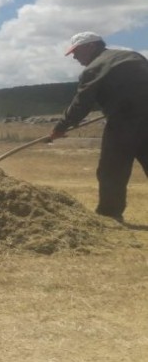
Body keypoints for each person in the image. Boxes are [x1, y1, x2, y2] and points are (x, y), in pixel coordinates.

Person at [49, 32, 148, 222]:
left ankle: (109, 214)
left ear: (91, 46)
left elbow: (81, 104)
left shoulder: (94, 68)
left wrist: (61, 127)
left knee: (112, 169)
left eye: (76, 52)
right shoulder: (133, 56)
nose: (75, 57)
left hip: (124, 123)